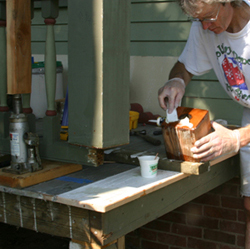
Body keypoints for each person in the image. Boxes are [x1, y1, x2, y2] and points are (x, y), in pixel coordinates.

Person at [157, 0, 250, 247]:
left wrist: (237, 138)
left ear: (230, 2)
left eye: (209, 17)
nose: (206, 27)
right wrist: (177, 81)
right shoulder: (204, 26)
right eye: (199, 20)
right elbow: (185, 66)